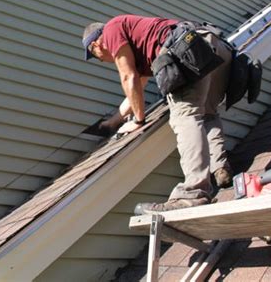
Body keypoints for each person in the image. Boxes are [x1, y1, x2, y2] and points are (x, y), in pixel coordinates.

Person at [82, 14, 233, 213]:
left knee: (184, 117)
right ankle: (220, 168)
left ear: (95, 45)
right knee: (206, 114)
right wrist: (112, 123)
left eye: (97, 57)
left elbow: (128, 77)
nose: (102, 61)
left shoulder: (111, 30)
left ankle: (194, 192)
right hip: (205, 46)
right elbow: (137, 87)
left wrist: (139, 120)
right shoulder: (140, 41)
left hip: (182, 51)